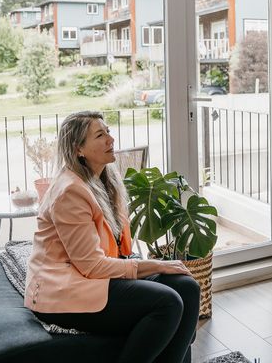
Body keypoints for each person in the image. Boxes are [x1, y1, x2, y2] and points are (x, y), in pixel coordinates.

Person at [25, 111, 200, 363]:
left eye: (108, 131)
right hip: (64, 290)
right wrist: (158, 264)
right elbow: (92, 266)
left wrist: (154, 267)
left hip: (92, 276)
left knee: (187, 286)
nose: (111, 139)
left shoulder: (104, 179)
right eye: (100, 135)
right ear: (79, 149)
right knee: (168, 302)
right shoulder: (70, 192)